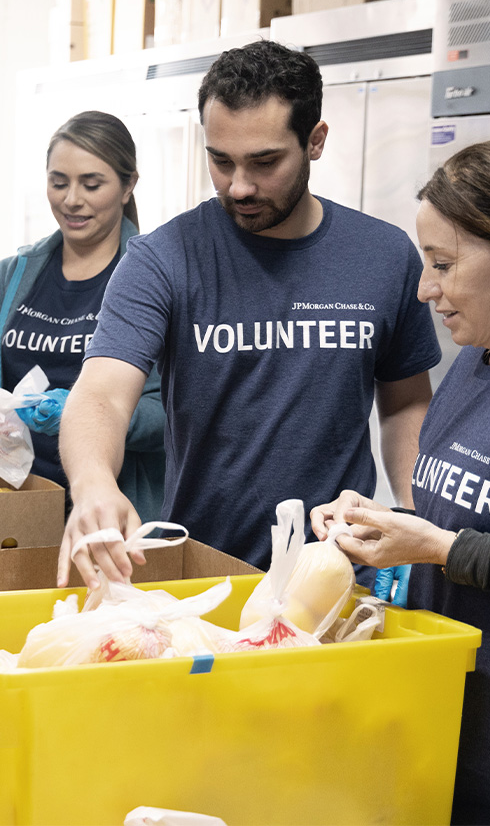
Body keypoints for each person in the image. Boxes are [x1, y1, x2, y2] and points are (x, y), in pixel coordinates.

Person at [56, 39, 440, 591]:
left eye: (264, 162)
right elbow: (101, 394)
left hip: (337, 576)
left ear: (315, 141)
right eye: (220, 160)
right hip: (205, 575)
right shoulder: (163, 259)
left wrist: (414, 515)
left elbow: (405, 402)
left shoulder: (383, 254)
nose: (238, 186)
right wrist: (93, 482)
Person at [310, 140, 490, 825]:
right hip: (448, 713)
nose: (424, 289)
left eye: (443, 265)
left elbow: (455, 544)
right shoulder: (470, 366)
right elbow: (453, 517)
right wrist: (381, 528)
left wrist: (439, 549)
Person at [0, 110, 165, 521]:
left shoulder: (157, 280)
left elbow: (171, 415)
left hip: (109, 508)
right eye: (59, 182)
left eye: (92, 184)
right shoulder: (13, 274)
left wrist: (85, 413)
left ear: (129, 186)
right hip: (19, 503)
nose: (72, 199)